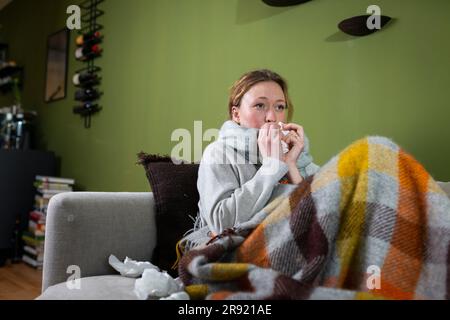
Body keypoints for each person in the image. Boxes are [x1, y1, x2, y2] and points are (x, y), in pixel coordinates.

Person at [181, 69, 320, 250]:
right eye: (260, 105)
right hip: (241, 250)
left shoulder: (298, 156)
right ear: (236, 114)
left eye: (280, 107)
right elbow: (221, 224)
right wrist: (272, 166)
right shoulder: (218, 153)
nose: (271, 117)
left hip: (295, 246)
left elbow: (321, 219)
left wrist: (291, 165)